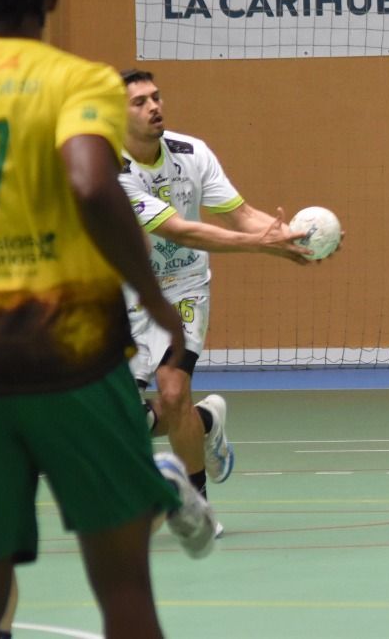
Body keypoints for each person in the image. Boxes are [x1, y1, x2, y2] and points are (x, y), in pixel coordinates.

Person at [0, 0, 215, 639]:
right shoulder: (79, 80)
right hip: (73, 355)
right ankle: (164, 485)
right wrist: (159, 298)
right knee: (124, 590)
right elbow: (88, 180)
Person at [117, 68, 310, 511]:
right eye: (140, 102)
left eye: (156, 97)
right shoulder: (112, 173)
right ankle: (205, 422)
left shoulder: (192, 153)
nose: (154, 107)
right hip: (126, 297)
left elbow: (241, 216)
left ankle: (196, 508)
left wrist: (291, 236)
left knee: (171, 391)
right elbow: (181, 230)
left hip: (185, 288)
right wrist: (260, 245)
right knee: (121, 420)